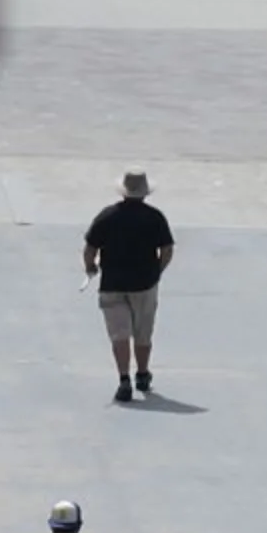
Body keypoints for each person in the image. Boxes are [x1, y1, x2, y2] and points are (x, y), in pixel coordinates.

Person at [84, 169, 173, 404]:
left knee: (119, 334)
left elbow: (90, 247)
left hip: (112, 284)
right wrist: (157, 271)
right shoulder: (155, 217)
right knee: (143, 332)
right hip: (144, 284)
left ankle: (124, 379)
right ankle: (142, 374)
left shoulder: (107, 216)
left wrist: (90, 267)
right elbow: (167, 249)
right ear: (145, 193)